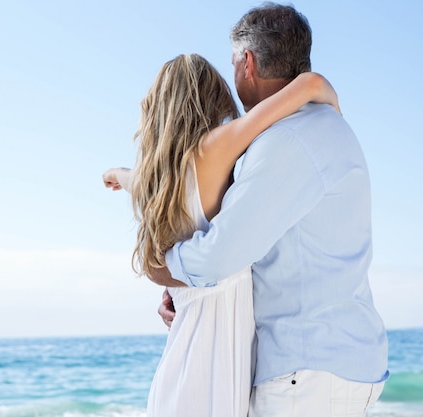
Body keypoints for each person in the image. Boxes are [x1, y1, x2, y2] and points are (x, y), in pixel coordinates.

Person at [150, 4, 389, 417]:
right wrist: (183, 291)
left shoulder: (288, 140)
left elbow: (219, 257)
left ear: (248, 63)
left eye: (233, 63)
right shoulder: (327, 126)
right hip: (335, 365)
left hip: (308, 375)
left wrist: (164, 269)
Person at [103, 53, 340, 417]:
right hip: (221, 348)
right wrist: (333, 110)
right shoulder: (215, 148)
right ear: (209, 98)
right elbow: (309, 85)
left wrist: (118, 174)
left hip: (184, 347)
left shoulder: (158, 179)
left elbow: (139, 180)